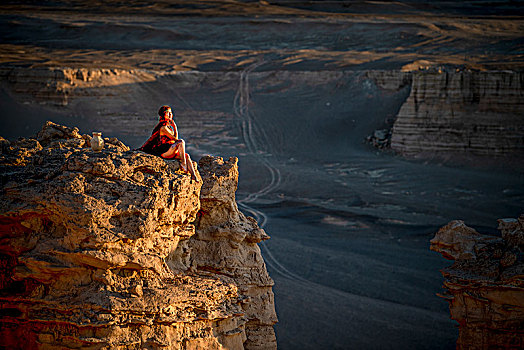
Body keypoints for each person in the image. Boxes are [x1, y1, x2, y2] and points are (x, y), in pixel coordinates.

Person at [140, 105, 198, 181]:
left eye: (171, 113)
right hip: (165, 151)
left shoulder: (169, 127)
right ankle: (183, 164)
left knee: (187, 156)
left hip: (170, 150)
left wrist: (175, 127)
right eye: (168, 113)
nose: (171, 115)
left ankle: (193, 175)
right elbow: (176, 140)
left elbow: (175, 139)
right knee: (181, 142)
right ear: (164, 114)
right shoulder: (163, 127)